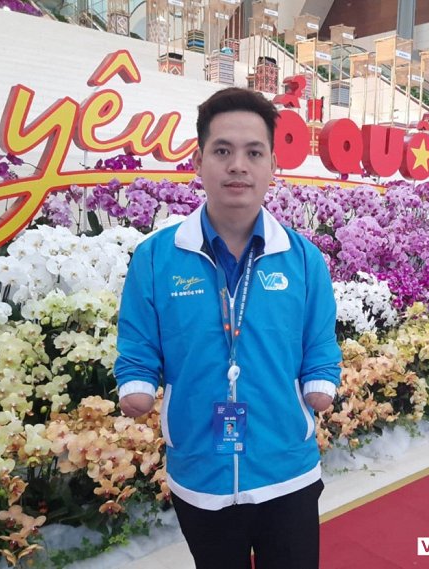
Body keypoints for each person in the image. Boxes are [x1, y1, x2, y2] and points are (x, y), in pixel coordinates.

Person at [114, 87, 341, 569]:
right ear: (199, 162)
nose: (238, 165)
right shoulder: (155, 258)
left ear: (272, 165)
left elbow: (320, 342)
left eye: (254, 153)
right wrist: (136, 382)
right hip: (200, 472)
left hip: (288, 470)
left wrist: (322, 379)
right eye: (222, 151)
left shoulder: (304, 259)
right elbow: (138, 342)